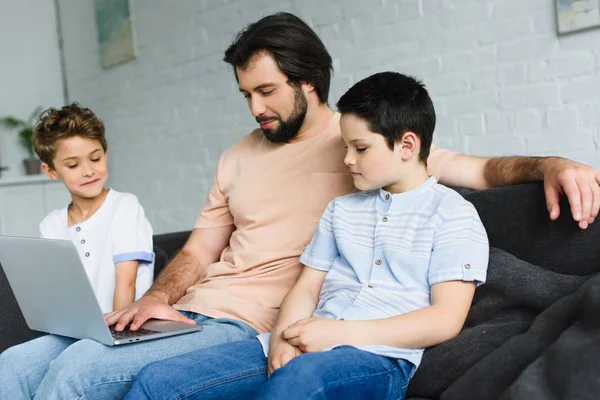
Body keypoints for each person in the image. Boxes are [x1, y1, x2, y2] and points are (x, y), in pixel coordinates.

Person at [0, 12, 597, 400]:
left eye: (266, 91)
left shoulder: (367, 146)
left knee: (77, 378)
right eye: (246, 94)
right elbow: (201, 250)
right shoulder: (236, 157)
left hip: (252, 325)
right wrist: (155, 300)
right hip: (188, 312)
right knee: (17, 368)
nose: (255, 107)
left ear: (307, 82)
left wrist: (551, 165)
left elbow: (482, 171)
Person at [126, 71, 490, 400]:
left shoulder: (453, 214)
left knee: (297, 384)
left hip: (376, 355)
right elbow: (306, 288)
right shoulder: (342, 209)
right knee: (157, 381)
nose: (347, 159)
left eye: (360, 148)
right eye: (346, 146)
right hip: (302, 338)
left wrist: (339, 334)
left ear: (407, 146)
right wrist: (283, 338)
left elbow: (445, 318)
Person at [35, 103, 154, 313]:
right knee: (17, 349)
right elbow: (60, 292)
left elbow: (126, 286)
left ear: (105, 155)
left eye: (95, 159)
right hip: (78, 330)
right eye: (73, 165)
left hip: (122, 328)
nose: (88, 171)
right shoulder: (51, 225)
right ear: (51, 171)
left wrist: (118, 337)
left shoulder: (125, 207)